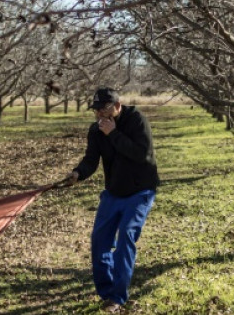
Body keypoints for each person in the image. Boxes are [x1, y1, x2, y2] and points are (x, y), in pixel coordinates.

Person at [63, 88, 159, 313]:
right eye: (96, 110)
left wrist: (114, 133)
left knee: (126, 236)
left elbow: (141, 154)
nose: (99, 115)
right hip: (113, 192)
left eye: (104, 109)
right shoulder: (96, 130)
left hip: (140, 191)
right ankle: (106, 292)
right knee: (99, 240)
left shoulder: (136, 120)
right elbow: (91, 160)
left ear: (118, 105)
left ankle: (117, 297)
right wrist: (78, 173)